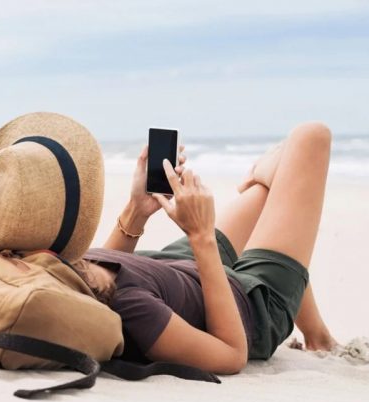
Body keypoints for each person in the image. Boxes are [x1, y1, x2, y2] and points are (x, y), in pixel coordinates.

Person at [76, 122, 338, 375]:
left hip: (169, 267)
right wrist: (201, 236)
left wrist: (136, 210)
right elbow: (232, 354)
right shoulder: (134, 308)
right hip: (246, 304)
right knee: (311, 138)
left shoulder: (48, 264)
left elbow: (98, 277)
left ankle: (318, 336)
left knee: (275, 181)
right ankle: (318, 338)